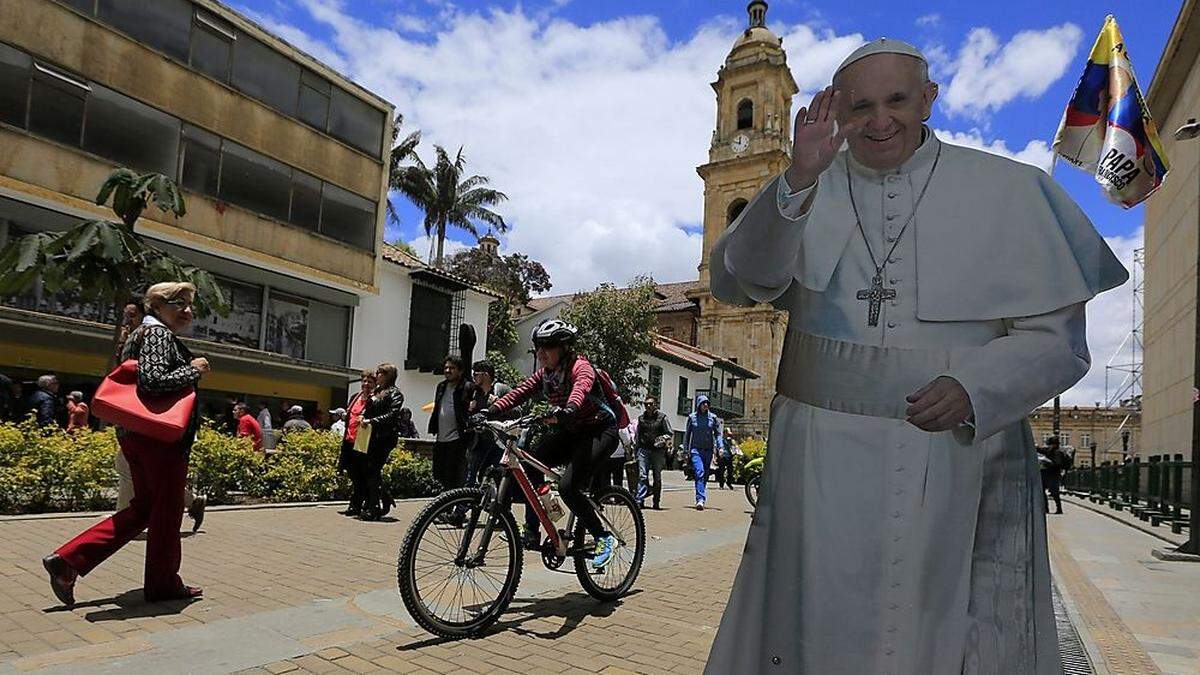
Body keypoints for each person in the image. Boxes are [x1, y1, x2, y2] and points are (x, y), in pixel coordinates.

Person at [704, 39, 1127, 673]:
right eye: (861, 107)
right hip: (818, 465)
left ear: (928, 98)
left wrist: (977, 386)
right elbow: (746, 277)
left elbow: (1059, 341)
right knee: (812, 630)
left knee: (950, 632)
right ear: (837, 111)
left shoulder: (1008, 190)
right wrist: (796, 178)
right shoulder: (803, 186)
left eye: (897, 100)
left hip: (955, 455)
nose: (879, 121)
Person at [44, 281, 213, 607]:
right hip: (159, 439)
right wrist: (193, 370)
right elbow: (154, 382)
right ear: (157, 306)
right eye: (177, 303)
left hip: (139, 435)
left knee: (143, 511)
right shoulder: (159, 335)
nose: (187, 310)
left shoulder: (140, 334)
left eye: (190, 304)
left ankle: (67, 561)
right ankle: (163, 585)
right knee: (166, 513)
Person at [475, 319, 620, 569]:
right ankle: (532, 529)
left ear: (564, 347)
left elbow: (581, 388)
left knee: (568, 487)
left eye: (547, 347)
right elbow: (519, 392)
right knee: (531, 465)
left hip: (600, 431)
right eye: (537, 348)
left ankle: (603, 537)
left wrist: (570, 408)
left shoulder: (580, 367)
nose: (540, 353)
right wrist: (489, 411)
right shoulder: (546, 374)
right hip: (571, 431)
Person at [359, 363, 404, 521]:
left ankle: (374, 507)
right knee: (369, 471)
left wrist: (372, 421)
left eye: (380, 373)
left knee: (373, 470)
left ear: (387, 375)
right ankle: (383, 497)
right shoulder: (376, 392)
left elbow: (393, 414)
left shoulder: (395, 394)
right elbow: (367, 408)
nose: (376, 375)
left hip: (384, 437)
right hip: (370, 436)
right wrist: (363, 417)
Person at [428, 356, 477, 496]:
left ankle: (451, 510)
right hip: (440, 438)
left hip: (457, 438)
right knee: (439, 474)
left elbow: (471, 408)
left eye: (452, 368)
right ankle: (443, 507)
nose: (448, 370)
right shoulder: (441, 387)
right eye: (446, 368)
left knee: (453, 476)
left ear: (460, 371)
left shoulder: (467, 387)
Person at [465, 361, 510, 491]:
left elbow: (518, 411)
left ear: (485, 375)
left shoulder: (502, 390)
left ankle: (499, 508)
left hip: (498, 443)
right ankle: (461, 510)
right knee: (470, 478)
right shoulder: (476, 394)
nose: (474, 378)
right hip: (478, 442)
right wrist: (469, 410)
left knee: (496, 478)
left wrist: (499, 403)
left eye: (476, 375)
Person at [338, 370, 376, 517]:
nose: (366, 384)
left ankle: (361, 505)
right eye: (364, 381)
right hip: (349, 440)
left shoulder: (375, 400)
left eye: (370, 382)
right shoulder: (355, 397)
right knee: (353, 474)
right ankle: (356, 504)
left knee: (363, 475)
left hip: (363, 442)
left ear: (375, 384)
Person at [684, 395, 724, 510]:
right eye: (703, 403)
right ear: (698, 404)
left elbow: (718, 434)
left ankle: (701, 492)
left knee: (705, 474)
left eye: (707, 403)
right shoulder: (692, 418)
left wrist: (720, 447)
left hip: (708, 450)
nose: (705, 405)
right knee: (699, 471)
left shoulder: (713, 417)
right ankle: (700, 499)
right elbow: (687, 435)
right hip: (696, 450)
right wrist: (686, 451)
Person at [634, 398, 672, 510]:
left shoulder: (662, 417)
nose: (648, 406)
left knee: (657, 477)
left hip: (658, 451)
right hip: (644, 449)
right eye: (646, 404)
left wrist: (662, 438)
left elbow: (669, 432)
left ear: (655, 405)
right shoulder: (641, 419)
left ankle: (656, 501)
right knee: (642, 475)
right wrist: (635, 450)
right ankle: (639, 500)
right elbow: (638, 435)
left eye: (651, 404)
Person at [1042, 436, 1065, 515]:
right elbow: (1042, 450)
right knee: (1042, 490)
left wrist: (1049, 463)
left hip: (1053, 474)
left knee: (1054, 492)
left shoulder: (1057, 453)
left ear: (1054, 445)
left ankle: (1059, 508)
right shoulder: (1050, 451)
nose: (1049, 446)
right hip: (1047, 474)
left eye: (1050, 444)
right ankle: (1046, 508)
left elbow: (1058, 463)